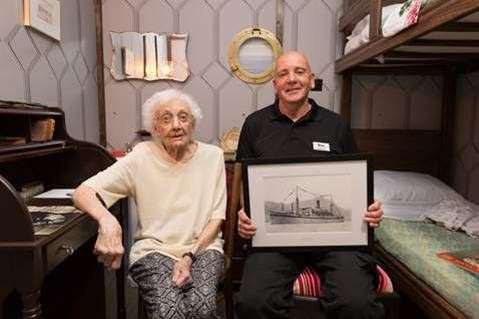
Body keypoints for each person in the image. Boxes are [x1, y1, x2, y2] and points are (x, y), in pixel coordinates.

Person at [235, 51, 385, 319]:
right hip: (275, 240)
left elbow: (354, 183)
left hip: (336, 241)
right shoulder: (255, 125)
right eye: (283, 74)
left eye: (299, 72)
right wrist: (244, 216)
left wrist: (369, 209)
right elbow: (247, 186)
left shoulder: (336, 125)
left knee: (357, 302)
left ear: (311, 79)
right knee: (252, 302)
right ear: (275, 84)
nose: (292, 79)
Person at [73, 89, 226, 319]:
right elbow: (82, 192)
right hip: (154, 250)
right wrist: (107, 220)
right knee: (168, 312)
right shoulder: (140, 156)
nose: (176, 125)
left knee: (201, 308)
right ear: (155, 128)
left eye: (183, 117)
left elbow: (217, 219)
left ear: (192, 124)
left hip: (203, 248)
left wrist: (188, 257)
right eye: (166, 119)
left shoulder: (213, 156)